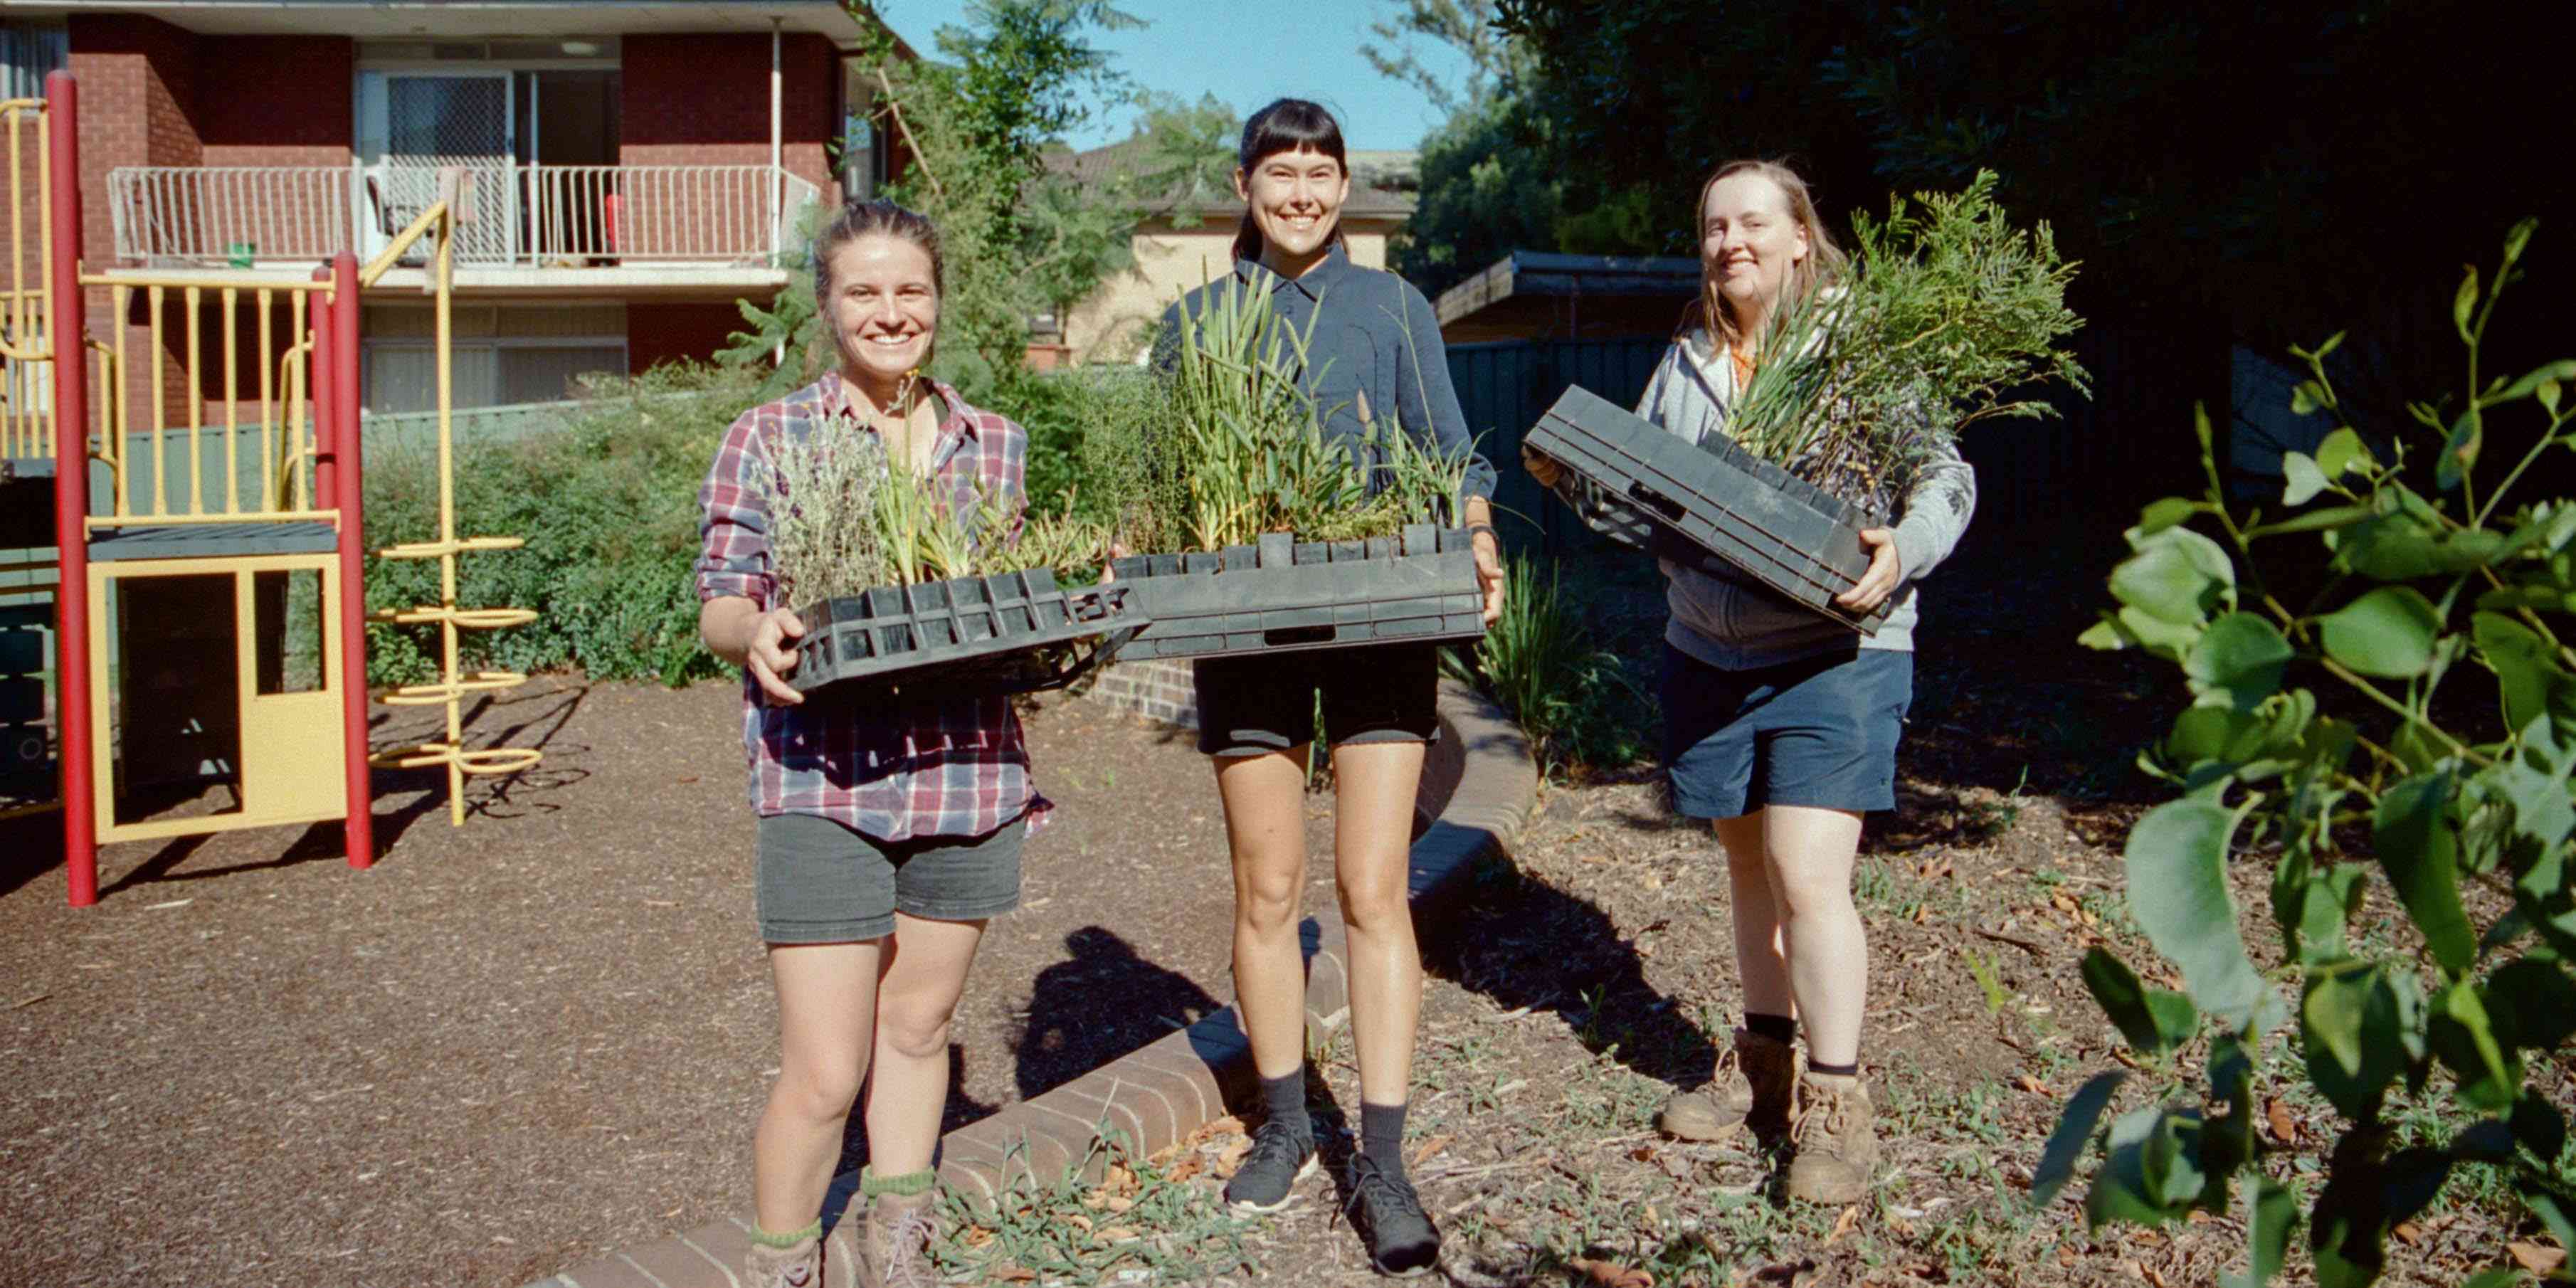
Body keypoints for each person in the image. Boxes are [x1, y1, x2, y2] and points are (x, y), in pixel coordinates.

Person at [1527, 159, 1975, 1203]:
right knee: (1746, 873)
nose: (1731, 241)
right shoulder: (1683, 366)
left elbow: (1945, 473)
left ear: (1800, 239)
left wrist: (1901, 550)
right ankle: (1763, 1065)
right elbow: (1648, 508)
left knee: (1807, 872)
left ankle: (1836, 1097)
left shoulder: (1860, 353)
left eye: (1753, 223)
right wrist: (1579, 483)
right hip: (1709, 650)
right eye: (1715, 226)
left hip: (1836, 650)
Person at [1155, 98, 1504, 1277]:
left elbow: (1451, 452)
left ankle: (1388, 1156)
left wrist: (1479, 538)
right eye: (1280, 172)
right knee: (1267, 883)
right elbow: (1162, 484)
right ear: (1244, 184)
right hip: (1244, 630)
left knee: (1370, 886)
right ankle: (1291, 1119)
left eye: (1321, 172)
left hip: (1380, 618)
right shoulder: (1197, 322)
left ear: (1344, 185)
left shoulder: (1393, 309)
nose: (1301, 192)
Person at [697, 199, 1046, 1288]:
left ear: (937, 301)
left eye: (910, 291)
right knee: (824, 1068)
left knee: (921, 1022)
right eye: (864, 292)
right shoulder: (771, 434)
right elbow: (718, 597)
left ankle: (898, 1242)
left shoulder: (995, 443)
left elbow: (1003, 601)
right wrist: (754, 627)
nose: (890, 312)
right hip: (824, 777)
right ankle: (784, 1264)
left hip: (967, 771)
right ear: (828, 306)